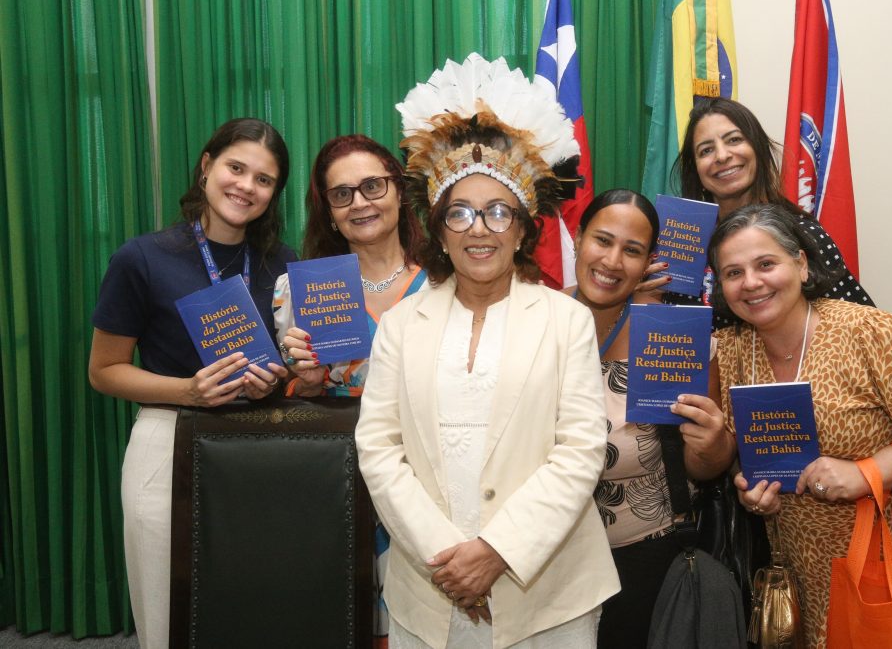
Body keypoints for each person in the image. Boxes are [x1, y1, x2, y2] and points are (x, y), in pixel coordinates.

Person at [356, 54, 619, 648]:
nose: (480, 228)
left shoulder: (567, 321)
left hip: (548, 595)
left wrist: (498, 552)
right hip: (429, 588)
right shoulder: (401, 324)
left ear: (524, 229)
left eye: (499, 212)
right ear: (441, 232)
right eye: (461, 213)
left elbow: (581, 449)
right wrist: (448, 560)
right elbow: (377, 447)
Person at [707, 203, 892, 647]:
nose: (751, 283)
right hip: (795, 573)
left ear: (800, 264)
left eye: (765, 264)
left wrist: (865, 473)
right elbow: (746, 454)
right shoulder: (729, 351)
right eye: (733, 273)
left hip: (884, 566)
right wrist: (755, 494)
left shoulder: (866, 331)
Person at [88, 118, 295, 649]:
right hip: (168, 440)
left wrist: (284, 376)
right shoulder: (142, 258)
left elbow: (299, 362)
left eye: (264, 179)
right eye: (236, 167)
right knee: (165, 611)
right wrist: (187, 391)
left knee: (250, 607)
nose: (246, 186)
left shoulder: (285, 264)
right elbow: (104, 370)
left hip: (260, 445)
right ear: (206, 167)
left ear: (274, 194)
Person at [271, 134, 427, 645]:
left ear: (399, 192)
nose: (360, 202)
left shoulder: (449, 282)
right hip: (340, 475)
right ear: (329, 212)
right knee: (347, 617)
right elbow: (295, 394)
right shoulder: (300, 292)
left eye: (372, 186)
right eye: (342, 194)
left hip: (426, 474)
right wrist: (307, 379)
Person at [570, 189, 735, 647]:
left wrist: (712, 446)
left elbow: (702, 469)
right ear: (578, 239)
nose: (613, 260)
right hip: (545, 561)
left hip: (644, 563)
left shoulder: (679, 337)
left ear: (649, 263)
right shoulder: (534, 321)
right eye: (602, 240)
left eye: (633, 250)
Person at [664, 97, 872, 327]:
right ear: (696, 171)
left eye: (734, 140)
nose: (722, 156)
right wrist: (648, 298)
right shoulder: (683, 245)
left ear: (758, 149)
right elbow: (671, 335)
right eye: (706, 150)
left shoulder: (803, 234)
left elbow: (861, 329)